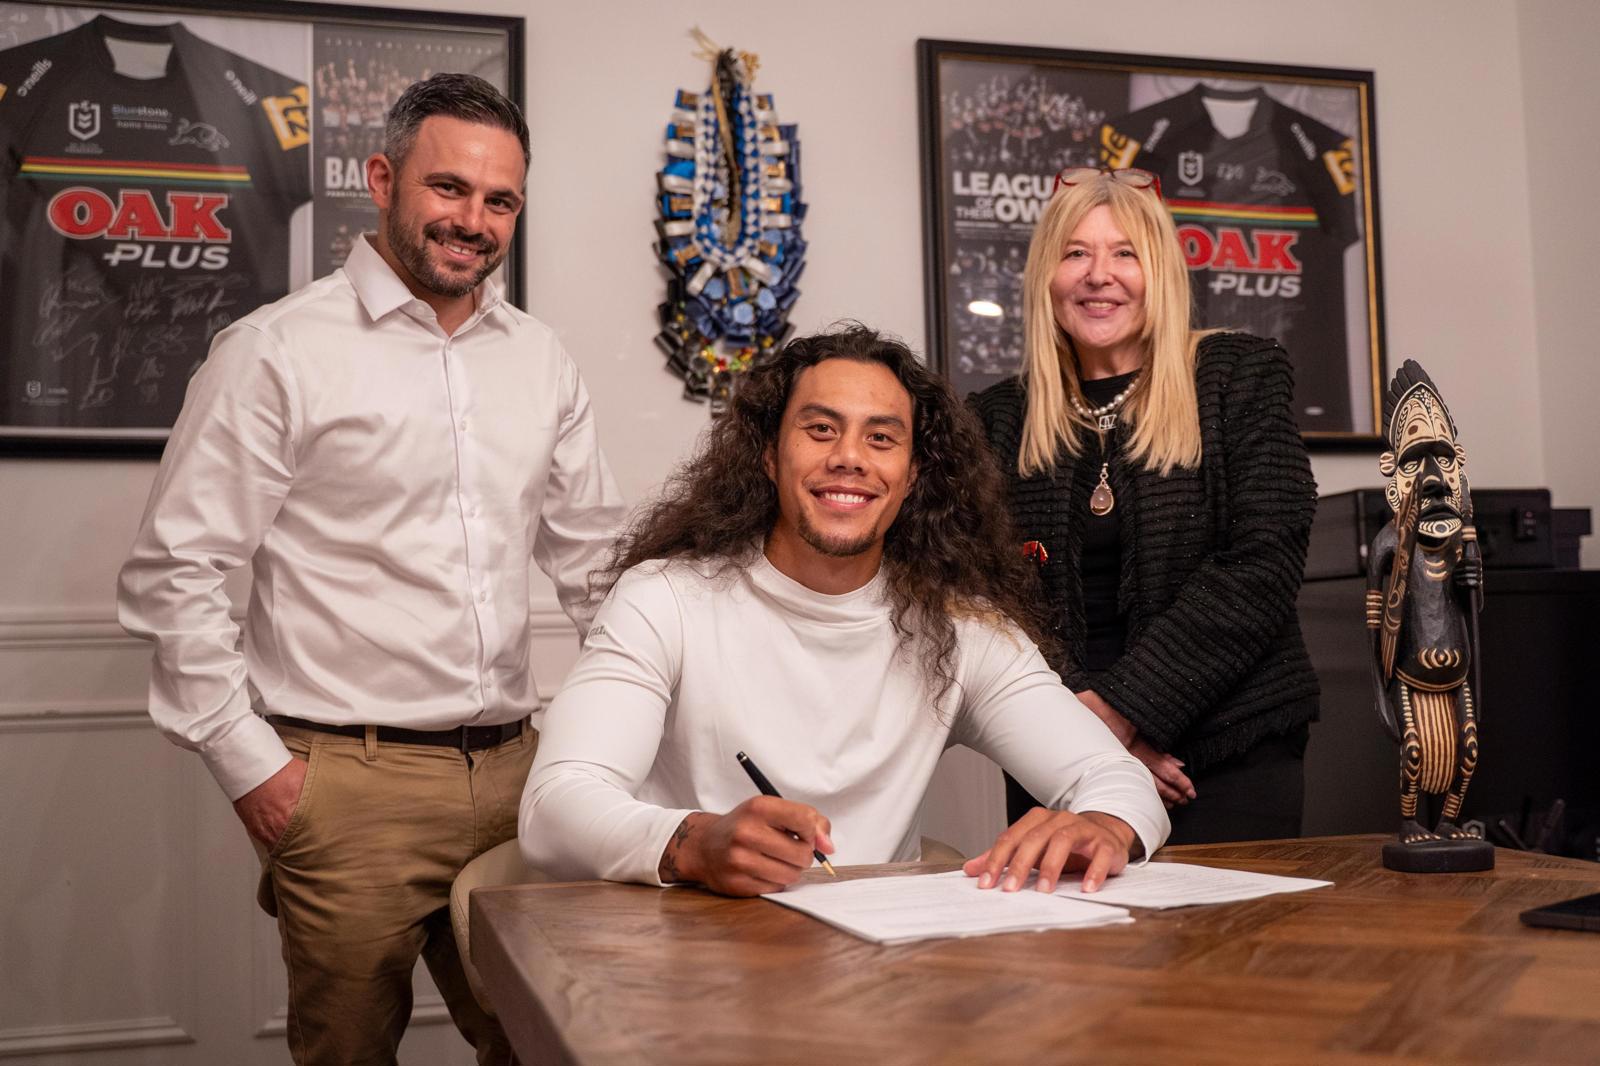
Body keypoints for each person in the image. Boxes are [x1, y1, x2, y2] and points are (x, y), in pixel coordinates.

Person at [117, 73, 626, 1065]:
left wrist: (621, 734)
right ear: (382, 180)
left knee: (554, 1045)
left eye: (500, 200)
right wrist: (255, 769)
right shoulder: (274, 352)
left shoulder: (541, 360)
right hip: (345, 787)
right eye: (449, 187)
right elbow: (175, 570)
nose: (473, 220)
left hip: (522, 779)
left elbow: (596, 562)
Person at [519, 324, 1168, 898]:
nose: (850, 457)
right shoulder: (662, 599)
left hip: (881, 965)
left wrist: (1103, 826)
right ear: (770, 455)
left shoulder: (962, 628)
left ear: (913, 475)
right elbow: (555, 808)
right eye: (821, 429)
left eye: (881, 438)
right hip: (689, 953)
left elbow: (1113, 775)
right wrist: (695, 844)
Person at [968, 167, 1320, 845]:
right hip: (1059, 754)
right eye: (1076, 253)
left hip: (1227, 752)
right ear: (1047, 276)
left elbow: (1263, 563)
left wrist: (1122, 712)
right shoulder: (995, 418)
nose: (1099, 275)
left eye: (1125, 253)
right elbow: (990, 595)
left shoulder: (1239, 374)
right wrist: (1083, 735)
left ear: (1158, 270)